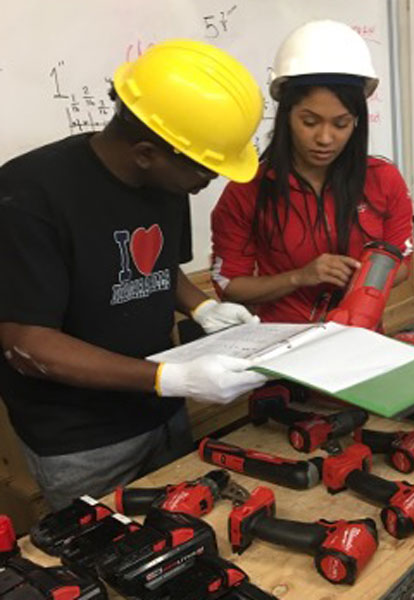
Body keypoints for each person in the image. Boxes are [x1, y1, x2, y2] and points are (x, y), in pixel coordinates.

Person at [0, 40, 268, 510]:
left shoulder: (165, 179)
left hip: (163, 413)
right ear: (146, 152)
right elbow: (28, 344)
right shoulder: (27, 197)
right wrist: (170, 377)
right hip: (83, 442)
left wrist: (202, 306)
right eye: (206, 169)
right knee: (110, 564)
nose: (211, 180)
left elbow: (160, 264)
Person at [211, 20, 414, 326]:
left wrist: (364, 282)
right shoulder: (248, 189)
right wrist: (299, 277)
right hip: (281, 348)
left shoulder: (383, 180)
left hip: (361, 342)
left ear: (356, 123)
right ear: (286, 116)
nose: (324, 138)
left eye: (341, 124)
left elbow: (401, 264)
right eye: (309, 121)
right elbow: (230, 285)